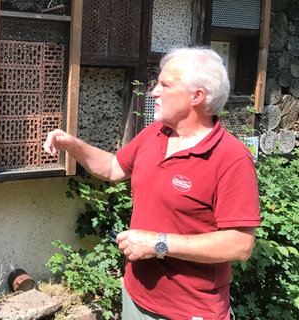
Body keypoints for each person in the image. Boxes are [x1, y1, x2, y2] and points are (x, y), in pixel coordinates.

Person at [43, 47, 260, 319]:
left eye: (165, 85)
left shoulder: (231, 158)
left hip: (189, 310)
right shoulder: (154, 134)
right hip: (136, 297)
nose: (154, 92)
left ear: (197, 96)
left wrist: (158, 243)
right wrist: (71, 145)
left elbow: (240, 244)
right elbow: (112, 168)